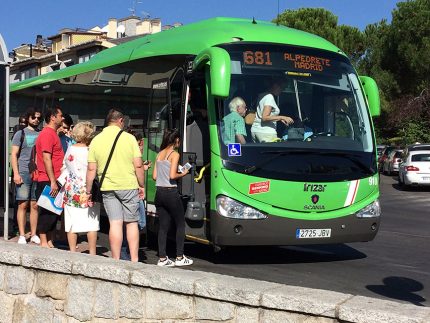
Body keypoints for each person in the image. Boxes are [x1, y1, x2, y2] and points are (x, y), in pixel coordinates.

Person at [86, 108, 145, 262]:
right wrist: (142, 185)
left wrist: (88, 191)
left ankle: (116, 259)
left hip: (108, 187)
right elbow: (138, 165)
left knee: (115, 223)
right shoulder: (129, 139)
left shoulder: (96, 140)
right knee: (131, 223)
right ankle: (134, 259)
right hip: (128, 185)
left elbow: (91, 169)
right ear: (120, 121)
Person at [153, 128, 193, 267]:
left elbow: (154, 176)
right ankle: (180, 257)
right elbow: (172, 176)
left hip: (159, 193)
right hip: (171, 193)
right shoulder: (174, 154)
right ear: (176, 140)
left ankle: (163, 258)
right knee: (180, 223)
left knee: (163, 226)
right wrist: (184, 173)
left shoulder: (159, 154)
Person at [62, 121, 100, 255]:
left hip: (72, 189)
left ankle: (72, 251)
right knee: (92, 222)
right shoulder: (90, 151)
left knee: (71, 222)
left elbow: (65, 166)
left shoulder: (70, 149)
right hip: (88, 190)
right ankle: (93, 252)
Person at [10, 108, 42, 244]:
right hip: (23, 172)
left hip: (38, 173)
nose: (36, 120)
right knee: (22, 204)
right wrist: (16, 174)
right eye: (34, 117)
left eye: (38, 118)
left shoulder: (41, 134)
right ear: (28, 118)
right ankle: (22, 234)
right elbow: (13, 154)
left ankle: (34, 233)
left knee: (35, 205)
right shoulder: (20, 133)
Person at [35, 107, 65, 248]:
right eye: (60, 115)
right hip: (48, 179)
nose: (62, 118)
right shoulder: (47, 134)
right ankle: (43, 241)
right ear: (53, 117)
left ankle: (49, 240)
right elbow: (47, 159)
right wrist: (52, 181)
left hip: (55, 178)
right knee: (47, 211)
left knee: (53, 212)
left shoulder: (53, 134)